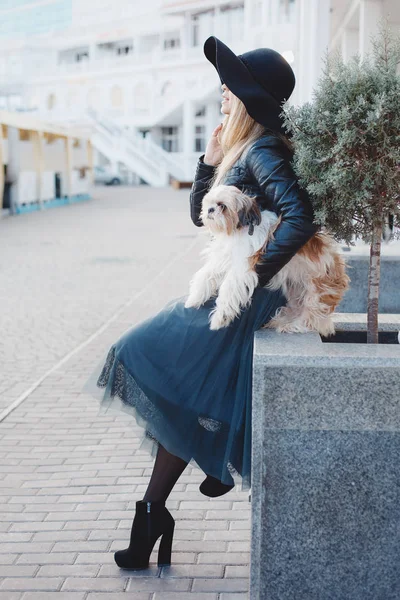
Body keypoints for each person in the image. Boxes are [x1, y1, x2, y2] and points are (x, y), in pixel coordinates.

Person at [83, 35, 319, 571]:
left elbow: (301, 216)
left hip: (239, 304)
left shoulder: (261, 150)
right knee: (182, 401)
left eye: (229, 89)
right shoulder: (243, 150)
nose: (222, 95)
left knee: (144, 353)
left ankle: (158, 512)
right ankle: (152, 516)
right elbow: (202, 216)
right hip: (226, 297)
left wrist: (254, 275)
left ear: (249, 100)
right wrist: (207, 162)